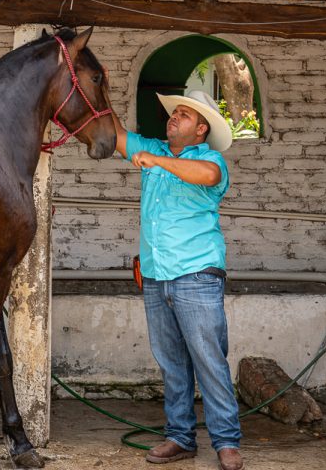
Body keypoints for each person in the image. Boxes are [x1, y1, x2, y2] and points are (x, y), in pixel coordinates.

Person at [111, 90, 243, 470]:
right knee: (172, 363)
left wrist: (158, 161)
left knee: (209, 361)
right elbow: (115, 134)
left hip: (197, 274)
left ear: (201, 129)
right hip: (155, 275)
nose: (174, 118)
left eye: (184, 115)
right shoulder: (152, 146)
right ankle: (180, 438)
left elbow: (208, 176)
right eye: (174, 113)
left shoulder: (209, 158)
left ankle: (227, 442)